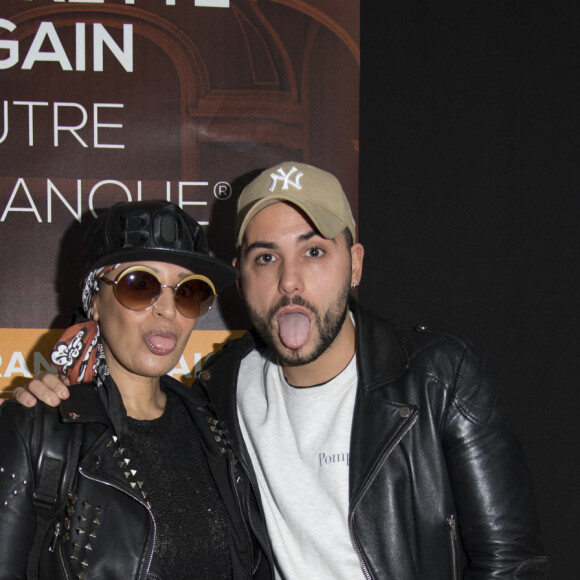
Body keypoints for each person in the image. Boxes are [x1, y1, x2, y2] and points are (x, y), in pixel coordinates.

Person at [14, 163, 548, 579]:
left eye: (314, 251)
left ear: (355, 263)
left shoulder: (438, 379)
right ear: (242, 278)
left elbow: (512, 563)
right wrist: (53, 397)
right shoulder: (222, 389)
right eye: (266, 257)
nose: (290, 282)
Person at [0, 200, 272, 579]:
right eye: (140, 285)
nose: (167, 310)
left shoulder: (216, 426)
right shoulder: (36, 432)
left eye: (189, 291)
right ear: (94, 300)